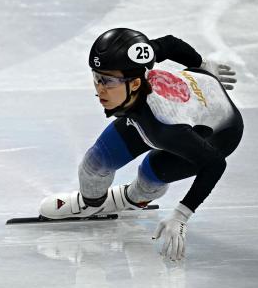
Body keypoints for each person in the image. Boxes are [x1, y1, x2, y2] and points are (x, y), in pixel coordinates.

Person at [39, 28, 242, 261]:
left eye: (108, 81)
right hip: (194, 96)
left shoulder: (165, 128)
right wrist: (202, 64)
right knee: (95, 163)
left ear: (135, 84)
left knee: (151, 171)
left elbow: (215, 163)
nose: (100, 89)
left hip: (219, 134)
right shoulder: (136, 64)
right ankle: (91, 204)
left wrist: (181, 215)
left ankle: (135, 198)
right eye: (96, 78)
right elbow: (169, 43)